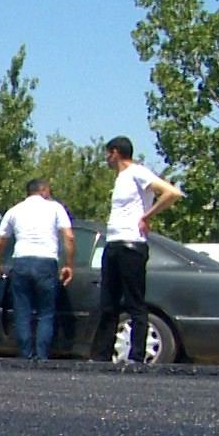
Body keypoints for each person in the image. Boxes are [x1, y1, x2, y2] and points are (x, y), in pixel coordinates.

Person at [89, 135, 184, 363]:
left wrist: (147, 216)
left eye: (107, 154)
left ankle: (137, 355)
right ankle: (101, 355)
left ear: (115, 153)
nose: (106, 159)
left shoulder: (137, 172)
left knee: (134, 302)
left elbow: (171, 193)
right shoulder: (120, 178)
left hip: (131, 244)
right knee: (108, 302)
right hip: (114, 242)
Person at [0, 178, 75, 360]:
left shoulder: (15, 210)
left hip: (21, 262)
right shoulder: (55, 208)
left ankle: (26, 356)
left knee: (22, 312)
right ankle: (42, 357)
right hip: (46, 263)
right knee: (46, 313)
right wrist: (68, 264)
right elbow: (69, 237)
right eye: (49, 191)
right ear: (43, 190)